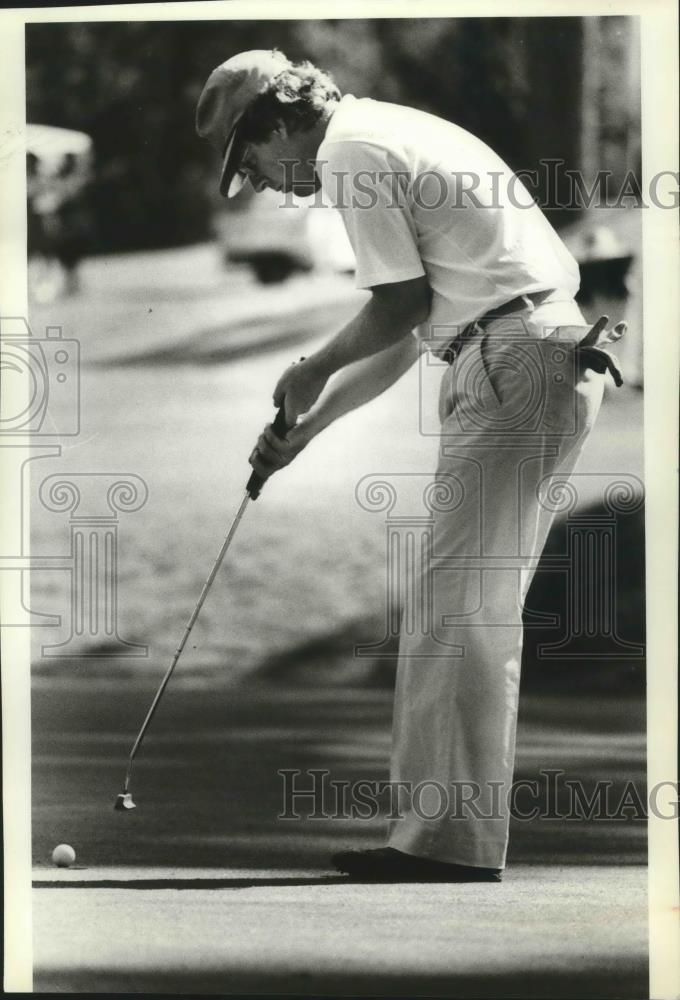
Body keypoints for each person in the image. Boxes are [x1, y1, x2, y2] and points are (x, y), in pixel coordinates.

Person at [197, 49, 626, 882]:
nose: (276, 186)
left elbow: (396, 306)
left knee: (457, 611)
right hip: (533, 355)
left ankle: (446, 847)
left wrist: (309, 367)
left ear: (279, 122)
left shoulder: (348, 151)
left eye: (255, 163)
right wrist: (310, 427)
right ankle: (445, 840)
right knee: (462, 607)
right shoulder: (381, 130)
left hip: (514, 361)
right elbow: (413, 325)